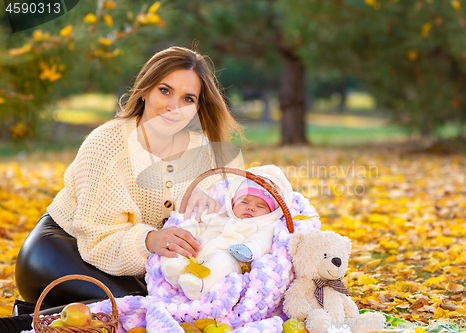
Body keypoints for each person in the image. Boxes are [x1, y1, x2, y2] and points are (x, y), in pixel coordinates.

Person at [6, 46, 242, 332]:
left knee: (182, 303)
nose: (173, 106)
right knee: (142, 305)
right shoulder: (107, 144)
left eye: (188, 98)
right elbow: (96, 240)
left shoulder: (202, 152)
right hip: (60, 248)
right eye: (164, 91)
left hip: (135, 262)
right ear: (144, 91)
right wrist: (150, 240)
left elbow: (212, 223)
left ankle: (43, 314)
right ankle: (18, 325)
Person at [160, 164, 293, 300]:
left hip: (231, 255)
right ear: (233, 203)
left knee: (221, 262)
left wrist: (249, 249)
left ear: (271, 212)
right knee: (177, 247)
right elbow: (200, 225)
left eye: (260, 206)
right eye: (244, 202)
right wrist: (184, 231)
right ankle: (175, 271)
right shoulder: (222, 214)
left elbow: (262, 241)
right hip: (197, 249)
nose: (251, 208)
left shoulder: (266, 224)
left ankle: (198, 284)